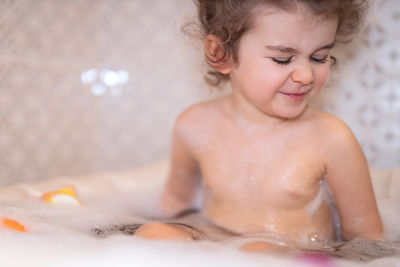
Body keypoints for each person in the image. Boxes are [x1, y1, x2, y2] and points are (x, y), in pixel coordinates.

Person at [134, 0, 383, 251]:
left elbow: (367, 243)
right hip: (216, 244)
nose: (306, 76)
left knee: (259, 251)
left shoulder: (331, 138)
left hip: (295, 253)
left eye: (319, 57)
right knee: (154, 233)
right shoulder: (194, 125)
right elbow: (175, 205)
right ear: (221, 53)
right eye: (283, 59)